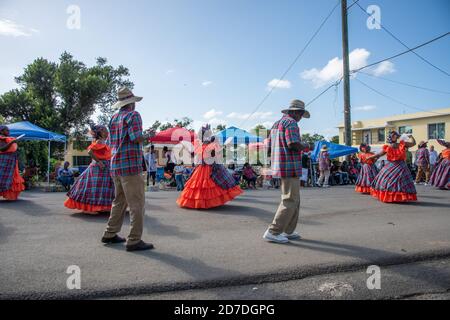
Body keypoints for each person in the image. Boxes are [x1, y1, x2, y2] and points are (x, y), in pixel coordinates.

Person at [102, 87, 153, 252]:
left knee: (119, 201)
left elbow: (111, 142)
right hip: (130, 165)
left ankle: (110, 233)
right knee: (137, 203)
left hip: (115, 165)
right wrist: (148, 135)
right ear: (131, 103)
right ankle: (134, 239)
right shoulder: (133, 115)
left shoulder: (114, 118)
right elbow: (136, 137)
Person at [263, 100, 310, 244]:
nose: (300, 118)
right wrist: (307, 145)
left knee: (294, 199)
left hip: (280, 165)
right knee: (290, 200)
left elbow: (269, 147)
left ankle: (288, 230)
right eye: (301, 114)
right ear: (296, 112)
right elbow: (293, 144)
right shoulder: (291, 123)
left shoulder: (276, 124)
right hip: (290, 166)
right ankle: (274, 231)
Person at [177, 125, 242, 209]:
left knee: (202, 185)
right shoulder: (203, 144)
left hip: (204, 167)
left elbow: (195, 154)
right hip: (206, 167)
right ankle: (205, 202)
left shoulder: (201, 144)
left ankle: (201, 202)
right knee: (206, 185)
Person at [64, 125, 115, 214]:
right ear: (102, 132)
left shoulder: (103, 141)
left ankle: (100, 207)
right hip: (98, 169)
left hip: (103, 168)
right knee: (95, 188)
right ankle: (90, 208)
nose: (108, 133)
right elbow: (89, 151)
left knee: (101, 188)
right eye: (106, 131)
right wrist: (98, 161)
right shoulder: (99, 141)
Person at [368, 131, 417, 203]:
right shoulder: (389, 147)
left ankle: (398, 197)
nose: (395, 137)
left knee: (398, 182)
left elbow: (413, 143)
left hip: (400, 166)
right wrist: (370, 157)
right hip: (395, 165)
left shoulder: (402, 144)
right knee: (390, 181)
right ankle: (394, 197)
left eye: (395, 136)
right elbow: (379, 154)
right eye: (393, 136)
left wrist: (410, 136)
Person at [0, 125, 25, 201]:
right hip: (3, 162)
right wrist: (11, 142)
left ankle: (10, 195)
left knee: (11, 178)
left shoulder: (8, 138)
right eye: (6, 130)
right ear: (2, 131)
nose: (8, 132)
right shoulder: (1, 138)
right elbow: (2, 149)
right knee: (2, 178)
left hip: (11, 162)